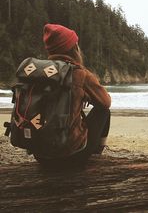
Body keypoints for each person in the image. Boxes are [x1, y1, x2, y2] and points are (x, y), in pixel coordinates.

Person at [35, 23, 111, 167]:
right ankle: (97, 156)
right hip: (72, 155)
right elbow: (106, 102)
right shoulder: (79, 74)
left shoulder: (40, 73)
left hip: (40, 154)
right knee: (103, 111)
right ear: (74, 48)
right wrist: (85, 93)